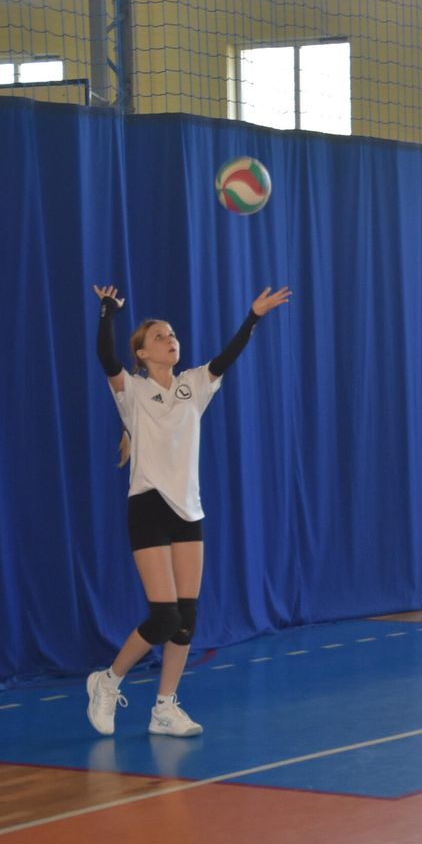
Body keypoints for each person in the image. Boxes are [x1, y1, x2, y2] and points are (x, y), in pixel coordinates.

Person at [85, 281, 292, 736]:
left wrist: (254, 317)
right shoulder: (132, 391)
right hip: (148, 506)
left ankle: (164, 707)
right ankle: (107, 680)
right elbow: (105, 356)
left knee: (186, 618)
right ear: (142, 353)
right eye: (159, 336)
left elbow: (226, 357)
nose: (170, 340)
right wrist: (107, 312)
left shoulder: (193, 386)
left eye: (173, 334)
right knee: (164, 616)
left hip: (188, 511)